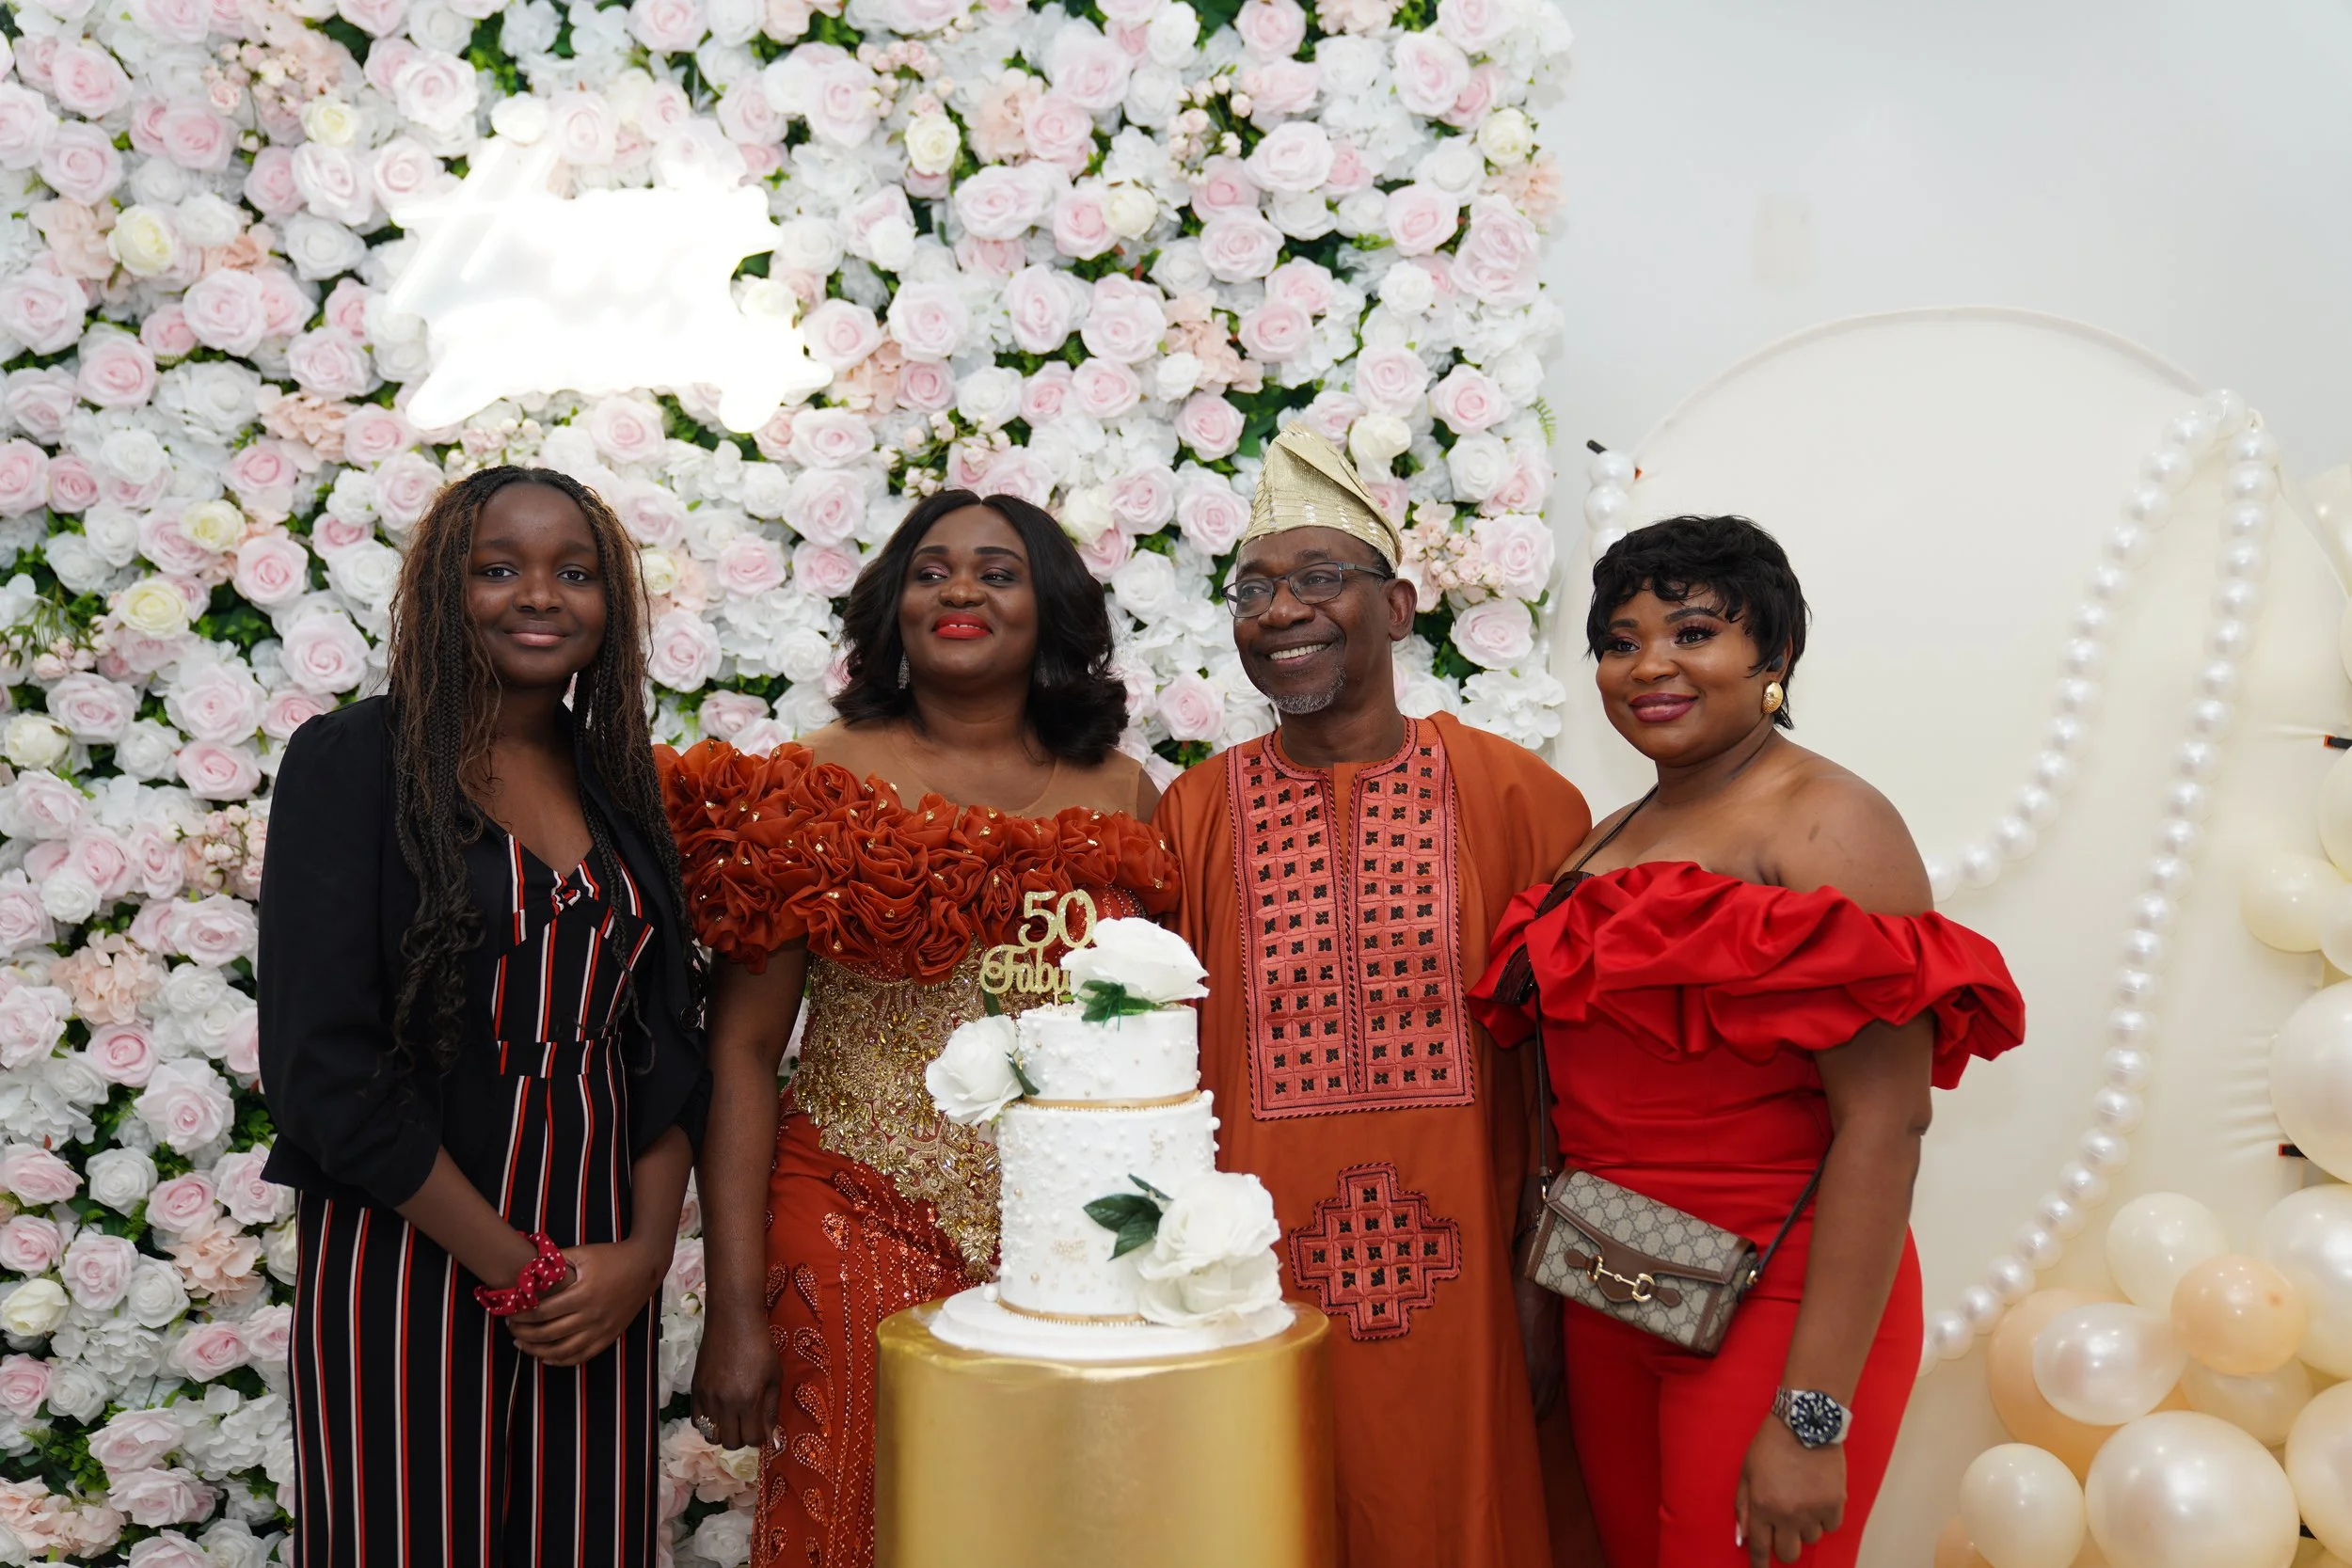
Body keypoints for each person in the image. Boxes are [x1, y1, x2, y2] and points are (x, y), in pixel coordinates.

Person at [1468, 515, 2027, 1568]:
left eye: (1692, 632)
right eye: (1620, 640)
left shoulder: (1826, 820)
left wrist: (1812, 1414)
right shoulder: (1604, 834)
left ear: (1772, 657)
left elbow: (1886, 1122)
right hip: (1615, 1283)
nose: (1650, 666)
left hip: (1780, 1301)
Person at [665, 490, 1180, 1568]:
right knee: (852, 1512)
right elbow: (744, 1050)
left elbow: (1156, 1028)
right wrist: (735, 1307)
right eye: (930, 569)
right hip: (855, 1208)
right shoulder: (812, 780)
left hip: (1068, 1233)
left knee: (1052, 1526)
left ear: (1049, 609)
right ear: (892, 610)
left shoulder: (1125, 790)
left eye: (996, 571)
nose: (959, 588)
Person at [1152, 426, 1597, 1568]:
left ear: (1397, 608)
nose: (1280, 610)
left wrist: (1547, 1280)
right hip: (1252, 1283)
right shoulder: (1193, 815)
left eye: (1316, 579)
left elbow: (1574, 1077)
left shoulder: (1521, 798)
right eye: (1254, 588)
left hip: (1476, 1288)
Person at [259, 466, 708, 1567]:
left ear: (612, 605)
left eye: (575, 571)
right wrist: (519, 1267)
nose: (539, 594)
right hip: (412, 1236)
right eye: (498, 567)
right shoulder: (354, 760)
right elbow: (322, 1065)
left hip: (597, 1257)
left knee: (584, 1541)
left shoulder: (616, 778)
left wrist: (640, 1255)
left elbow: (665, 1040)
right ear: (441, 592)